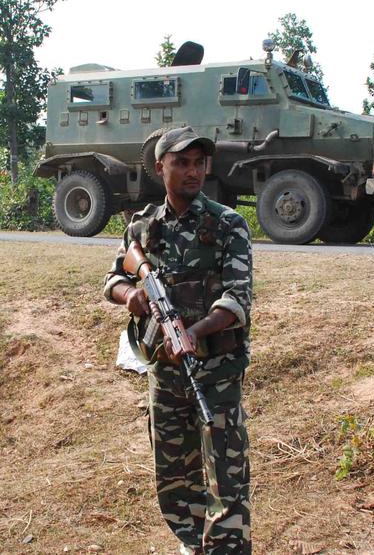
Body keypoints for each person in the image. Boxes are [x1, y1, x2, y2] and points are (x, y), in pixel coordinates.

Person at [102, 126, 253, 554]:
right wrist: (132, 295)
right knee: (174, 480)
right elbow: (112, 278)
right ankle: (193, 544)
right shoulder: (142, 227)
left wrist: (193, 332)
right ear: (159, 168)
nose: (193, 171)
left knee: (227, 479)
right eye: (181, 163)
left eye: (199, 163)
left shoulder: (228, 225)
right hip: (166, 377)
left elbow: (237, 299)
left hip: (216, 376)